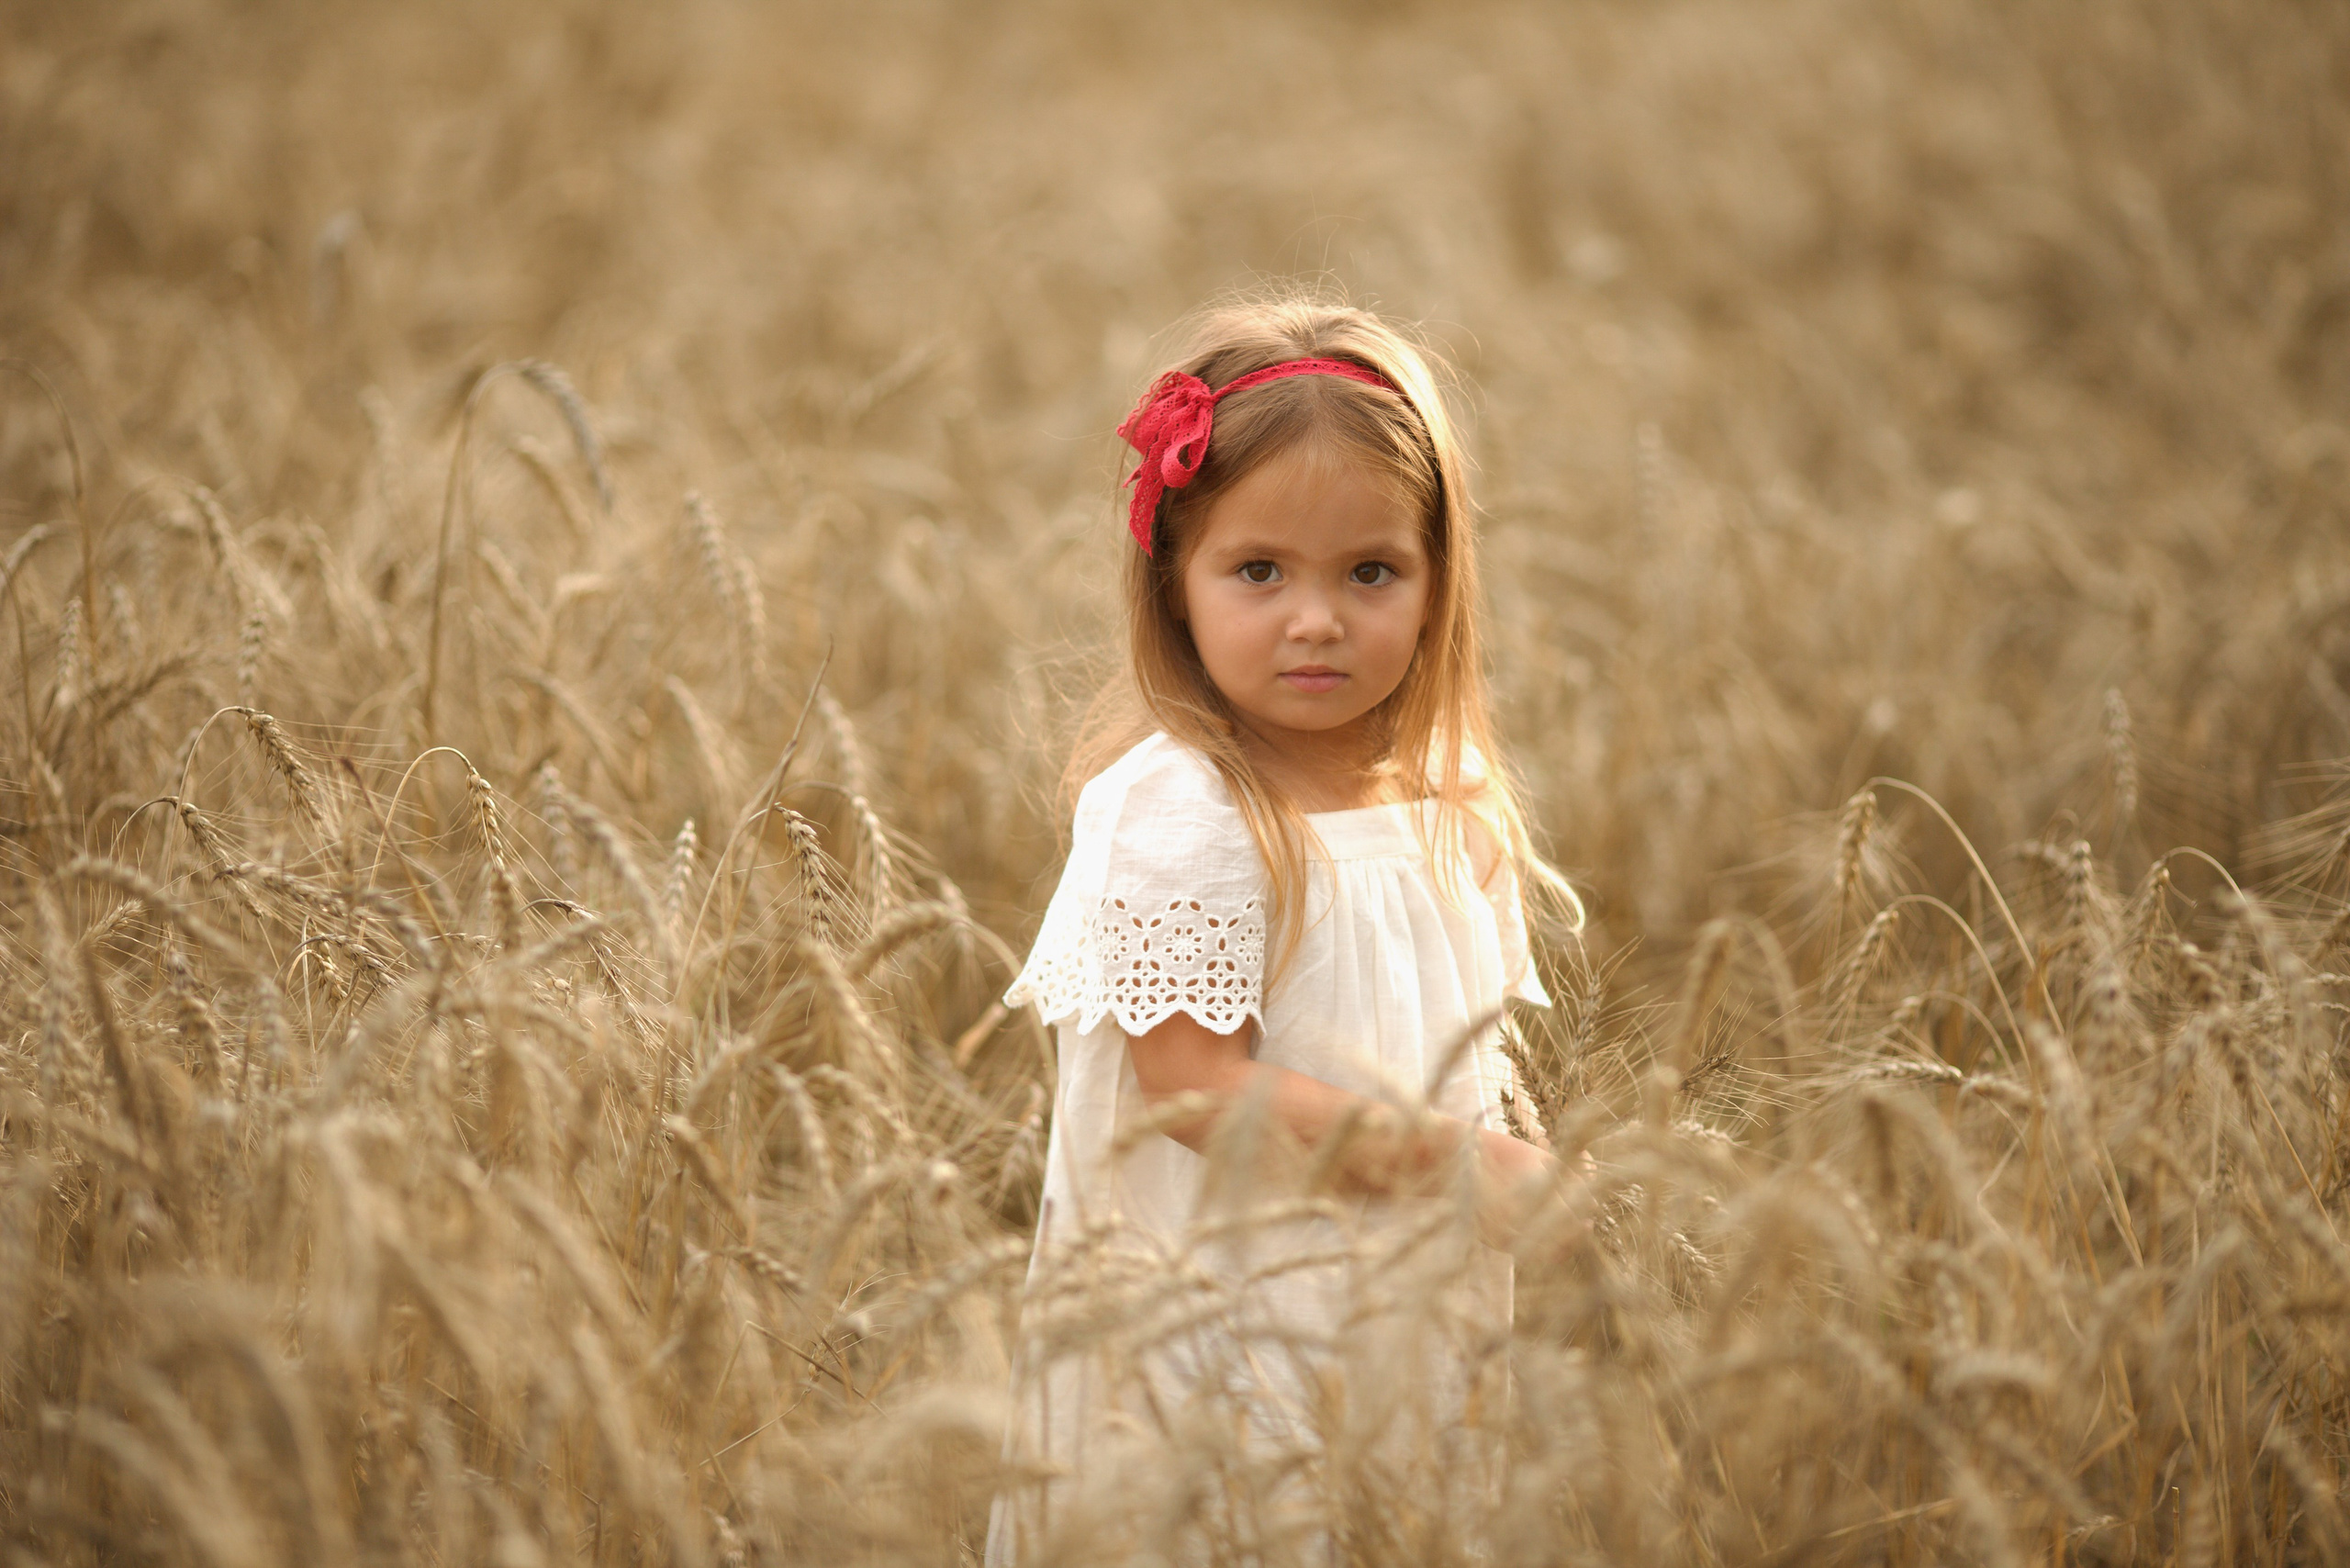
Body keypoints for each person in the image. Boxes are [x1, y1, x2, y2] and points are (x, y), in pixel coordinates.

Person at [985, 292, 1578, 1566]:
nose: (1317, 619)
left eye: (1371, 572)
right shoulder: (1185, 807)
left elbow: (1469, 1055)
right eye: (1260, 571)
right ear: (1176, 583)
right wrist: (1457, 1166)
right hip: (1227, 1327)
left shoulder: (1451, 798)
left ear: (1438, 582)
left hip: (1405, 1310)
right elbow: (1193, 1086)